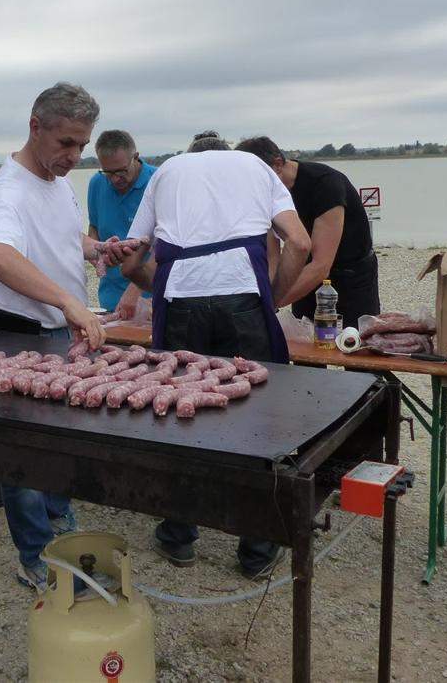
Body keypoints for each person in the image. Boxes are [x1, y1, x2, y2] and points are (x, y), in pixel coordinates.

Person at [121, 131, 312, 575]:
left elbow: (131, 261)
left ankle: (178, 535)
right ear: (227, 152)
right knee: (258, 419)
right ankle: (257, 548)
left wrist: (162, 289)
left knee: (178, 416)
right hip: (244, 301)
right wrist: (274, 296)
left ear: (190, 155)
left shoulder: (166, 170)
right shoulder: (258, 168)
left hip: (181, 305)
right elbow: (300, 244)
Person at [0, 81, 133, 592]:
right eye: (66, 143)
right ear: (35, 126)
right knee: (20, 454)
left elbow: (59, 237)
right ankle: (34, 557)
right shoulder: (9, 188)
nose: (74, 156)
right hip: (16, 334)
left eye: (82, 145)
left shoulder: (57, 182)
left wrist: (94, 248)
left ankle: (58, 521)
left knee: (62, 438)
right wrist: (67, 301)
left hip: (60, 337)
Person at [236, 136, 380, 327]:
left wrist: (272, 302)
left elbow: (321, 265)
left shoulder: (326, 185)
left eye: (254, 177)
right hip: (303, 271)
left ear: (277, 165)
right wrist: (267, 296)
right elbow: (273, 257)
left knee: (353, 342)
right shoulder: (264, 194)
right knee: (304, 340)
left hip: (350, 276)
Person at [87, 129, 156, 317]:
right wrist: (95, 255)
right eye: (109, 172)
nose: (116, 178)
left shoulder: (157, 181)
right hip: (109, 296)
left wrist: (135, 291)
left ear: (136, 157)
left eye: (122, 171)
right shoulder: (97, 183)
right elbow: (94, 227)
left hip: (151, 299)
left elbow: (166, 244)